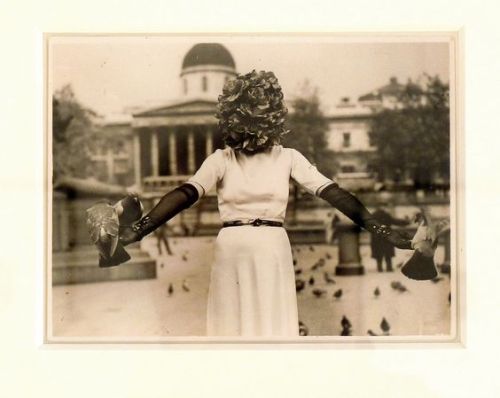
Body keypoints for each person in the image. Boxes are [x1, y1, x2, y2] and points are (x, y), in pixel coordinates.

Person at [119, 70, 413, 337]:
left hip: (266, 246)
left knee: (268, 326)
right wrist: (141, 229)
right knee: (236, 325)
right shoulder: (222, 158)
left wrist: (383, 231)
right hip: (240, 247)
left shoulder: (287, 157)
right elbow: (185, 193)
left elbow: (334, 193)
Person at [370, 202, 410, 272]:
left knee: (378, 253)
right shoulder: (385, 215)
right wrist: (406, 222)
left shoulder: (373, 215)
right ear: (382, 207)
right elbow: (395, 221)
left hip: (376, 236)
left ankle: (379, 268)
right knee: (387, 253)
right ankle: (389, 268)